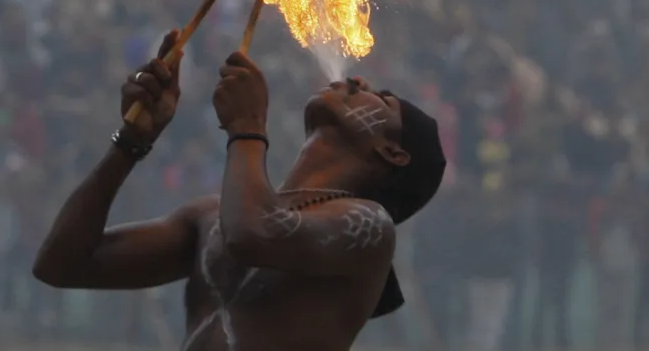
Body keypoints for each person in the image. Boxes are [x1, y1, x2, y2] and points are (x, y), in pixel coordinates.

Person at [33, 31, 446, 351]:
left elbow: (254, 236)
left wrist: (248, 125)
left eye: (382, 99)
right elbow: (62, 265)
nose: (357, 80)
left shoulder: (368, 228)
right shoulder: (212, 216)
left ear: (393, 152)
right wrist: (132, 140)